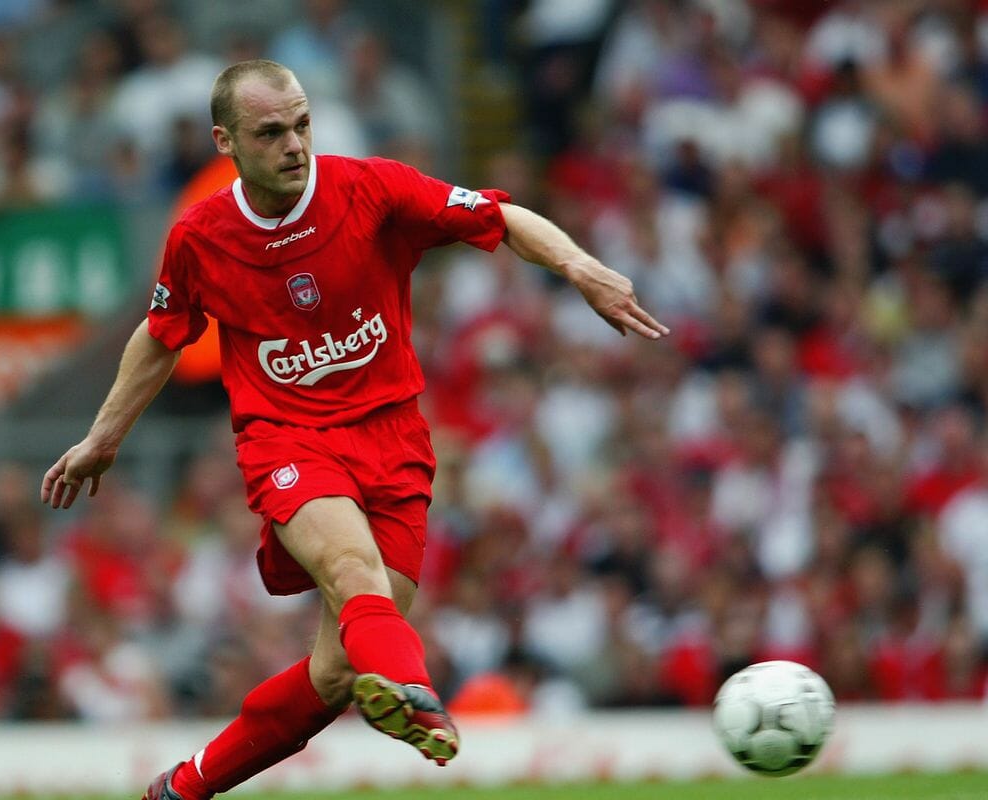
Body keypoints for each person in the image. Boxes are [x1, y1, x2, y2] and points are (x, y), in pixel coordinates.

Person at [39, 59, 668, 800]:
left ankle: (182, 789)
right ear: (225, 142)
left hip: (394, 441)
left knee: (336, 673)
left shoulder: (371, 188)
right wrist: (103, 436)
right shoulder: (201, 237)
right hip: (290, 441)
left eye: (302, 124)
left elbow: (500, 218)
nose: (296, 144)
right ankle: (410, 690)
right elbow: (161, 333)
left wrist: (581, 266)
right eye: (271, 132)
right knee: (353, 573)